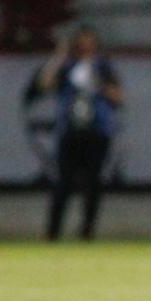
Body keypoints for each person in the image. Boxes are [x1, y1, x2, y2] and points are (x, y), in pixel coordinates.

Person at [40, 27, 122, 241]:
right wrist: (59, 56)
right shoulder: (67, 66)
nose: (85, 47)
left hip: (96, 132)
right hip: (70, 131)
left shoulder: (103, 67)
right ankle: (53, 232)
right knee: (63, 183)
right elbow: (45, 83)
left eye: (89, 42)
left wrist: (99, 85)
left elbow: (118, 97)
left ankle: (87, 231)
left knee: (93, 184)